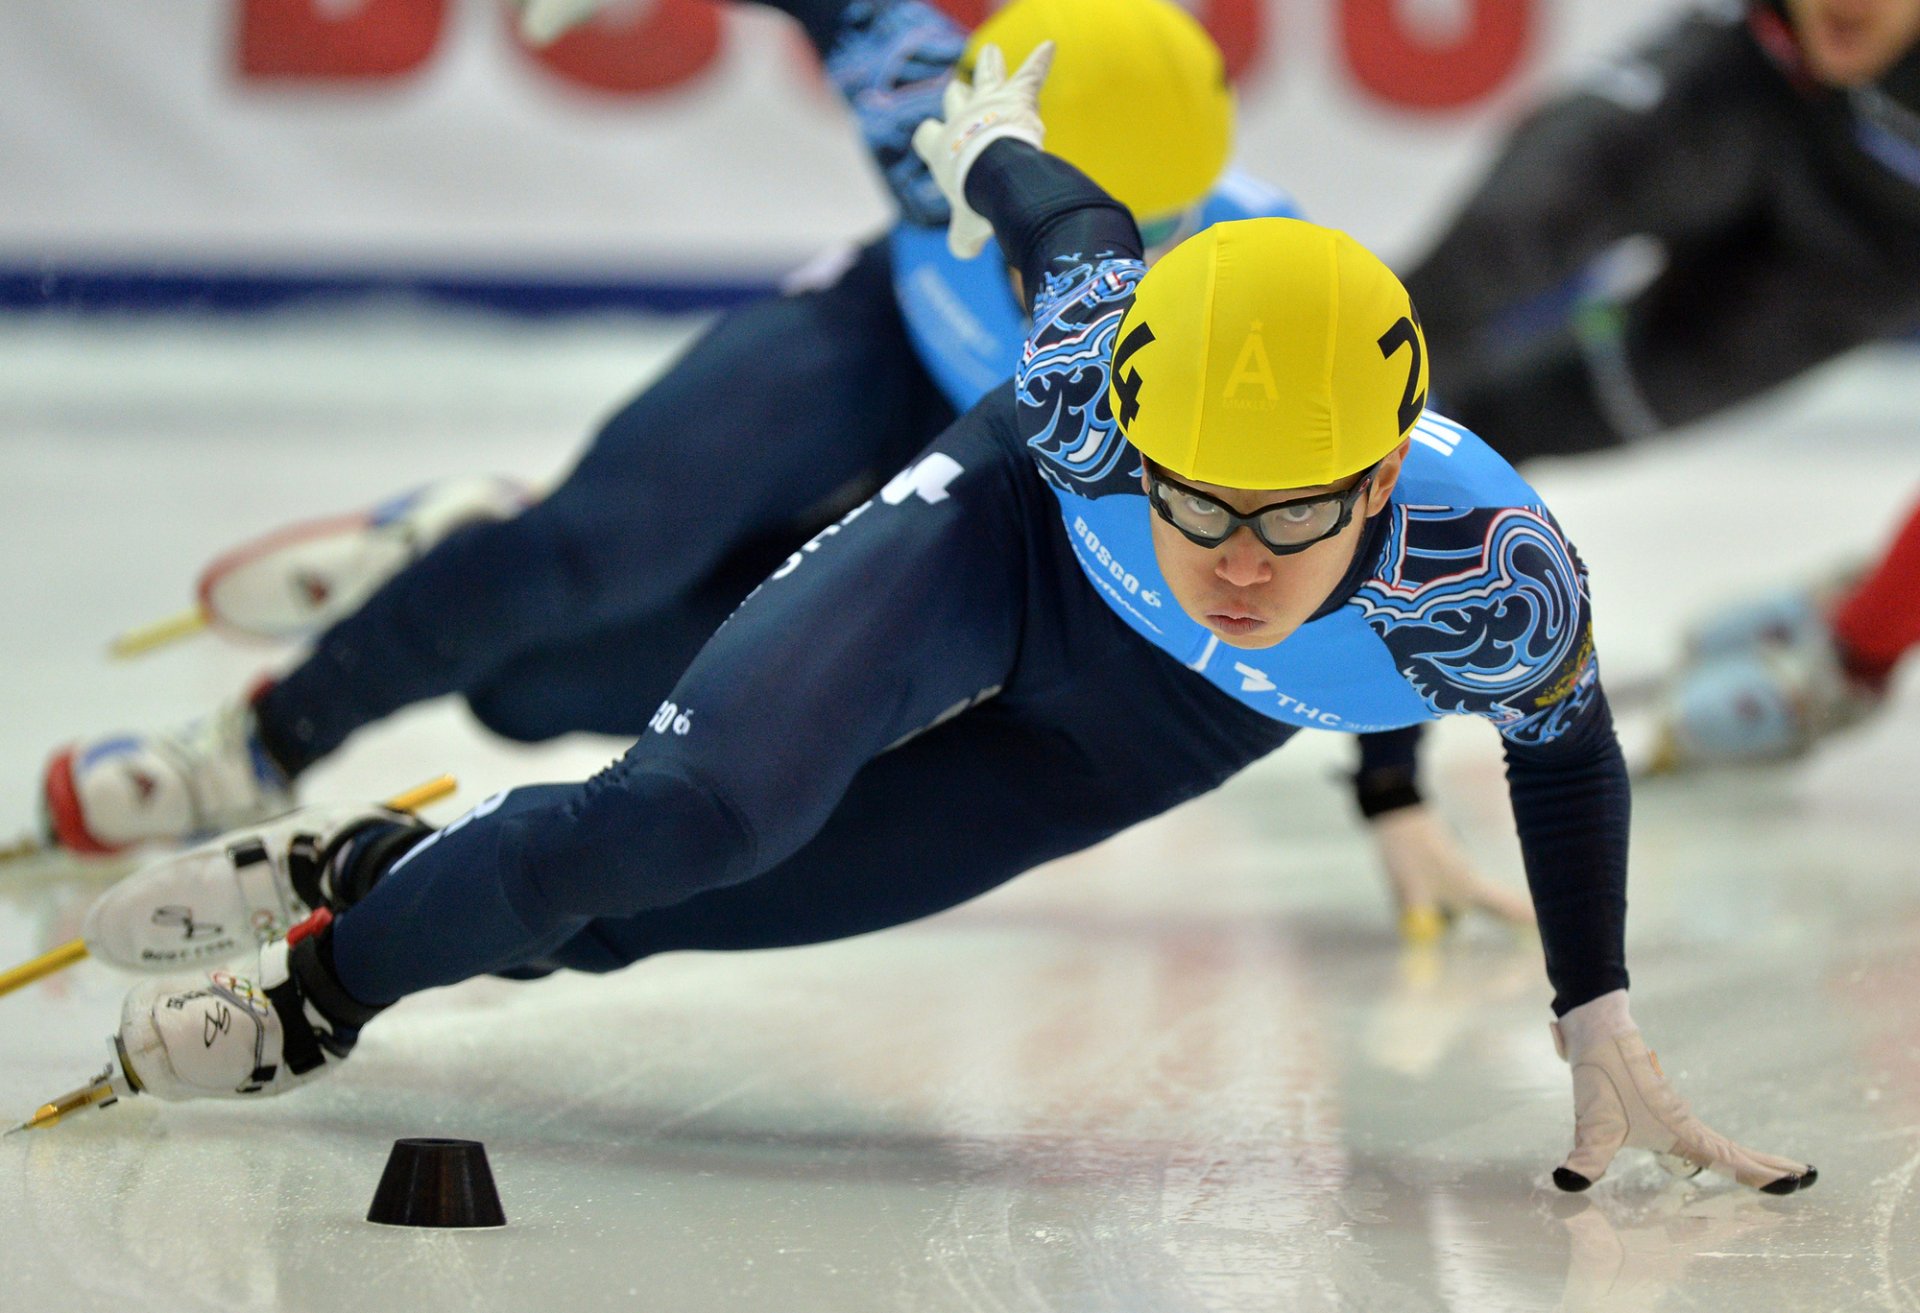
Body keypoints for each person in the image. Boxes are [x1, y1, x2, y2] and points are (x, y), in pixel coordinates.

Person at [72, 15, 1811, 1195]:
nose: (1235, 557)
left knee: (666, 912)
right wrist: (988, 142)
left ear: (1379, 481)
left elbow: (1563, 756)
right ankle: (324, 989)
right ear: (1134, 430)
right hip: (1004, 545)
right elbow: (1058, 212)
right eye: (1194, 496)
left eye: (1290, 514)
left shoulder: (1498, 575)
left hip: (1160, 727)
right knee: (692, 815)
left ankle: (376, 868)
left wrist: (1595, 1007)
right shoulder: (1087, 387)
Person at [32, 0, 1527, 938]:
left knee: (541, 688)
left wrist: (1390, 788)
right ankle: (259, 738)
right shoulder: (940, 113)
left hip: (1006, 477)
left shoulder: (1266, 309)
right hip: (877, 351)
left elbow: (1369, 539)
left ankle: (465, 557)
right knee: (587, 550)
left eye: (1148, 221)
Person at [1398, 0, 1920, 766]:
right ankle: (1263, 469)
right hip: (1749, 75)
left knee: (1542, 413)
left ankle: (1347, 529)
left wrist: (1862, 643)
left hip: (1874, 245)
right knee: (1488, 252)